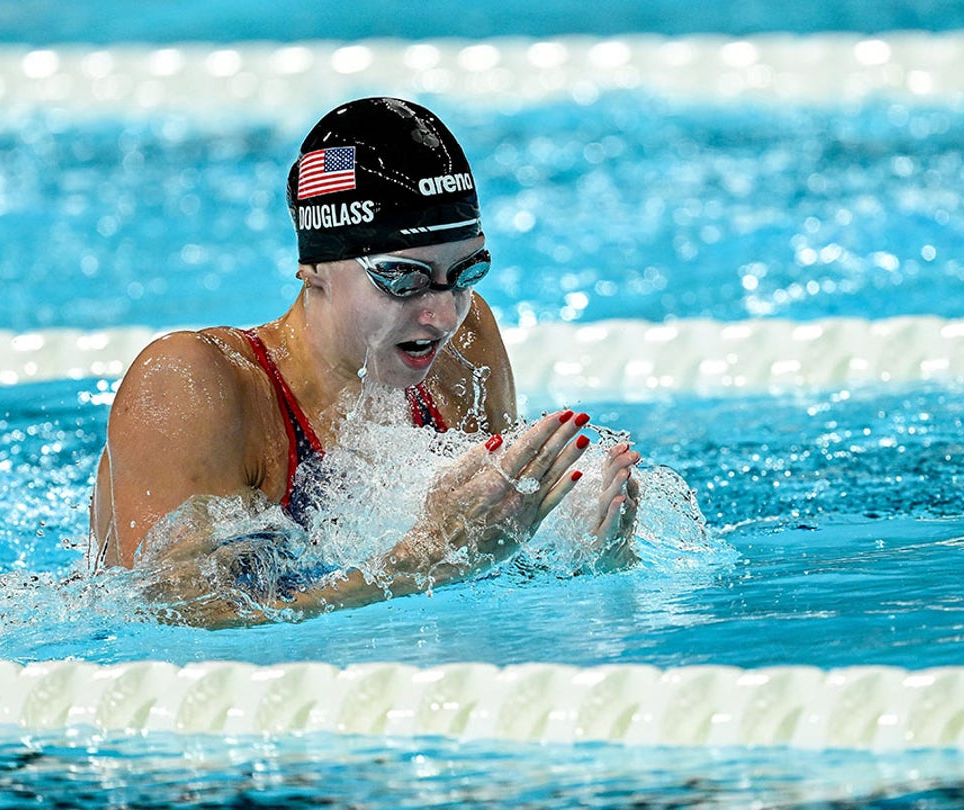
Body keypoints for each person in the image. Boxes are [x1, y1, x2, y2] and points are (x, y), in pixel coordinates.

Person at [90, 97, 640, 626]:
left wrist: (586, 560)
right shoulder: (193, 386)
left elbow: (479, 563)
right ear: (316, 268)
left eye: (467, 273)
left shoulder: (463, 347)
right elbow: (176, 622)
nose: (443, 316)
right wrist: (420, 561)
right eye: (403, 278)